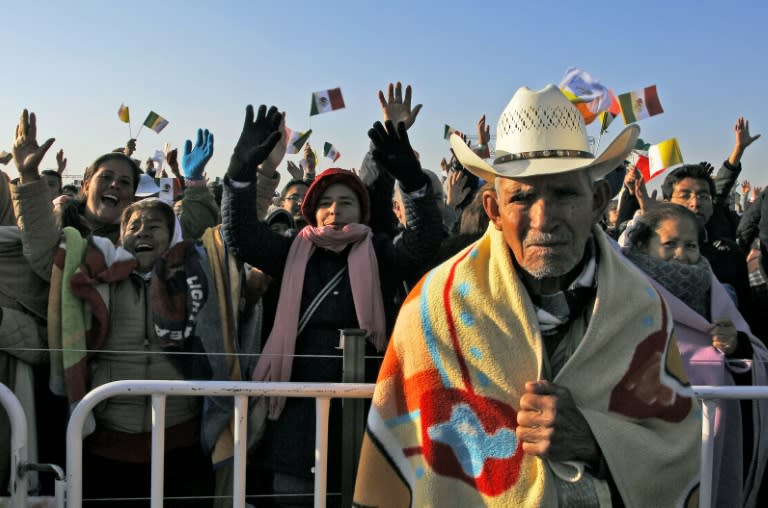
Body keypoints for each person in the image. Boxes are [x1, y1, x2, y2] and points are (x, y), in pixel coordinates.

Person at [353, 85, 701, 507]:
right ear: (493, 209)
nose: (544, 219)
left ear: (598, 201)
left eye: (564, 194)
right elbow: (400, 461)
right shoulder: (434, 308)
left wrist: (597, 441)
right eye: (521, 196)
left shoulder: (644, 308)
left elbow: (680, 447)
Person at [220, 103, 443, 506]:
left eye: (346, 202)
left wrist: (411, 180)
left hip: (369, 413)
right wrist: (239, 173)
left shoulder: (379, 252)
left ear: (363, 212)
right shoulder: (291, 251)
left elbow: (424, 242)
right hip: (295, 419)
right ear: (311, 211)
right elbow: (240, 237)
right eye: (326, 202)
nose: (335, 210)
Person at [621, 202, 768, 507]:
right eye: (669, 244)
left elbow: (755, 357)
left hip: (712, 431)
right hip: (646, 432)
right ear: (643, 245)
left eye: (690, 245)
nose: (682, 254)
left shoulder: (711, 285)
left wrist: (735, 345)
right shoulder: (625, 289)